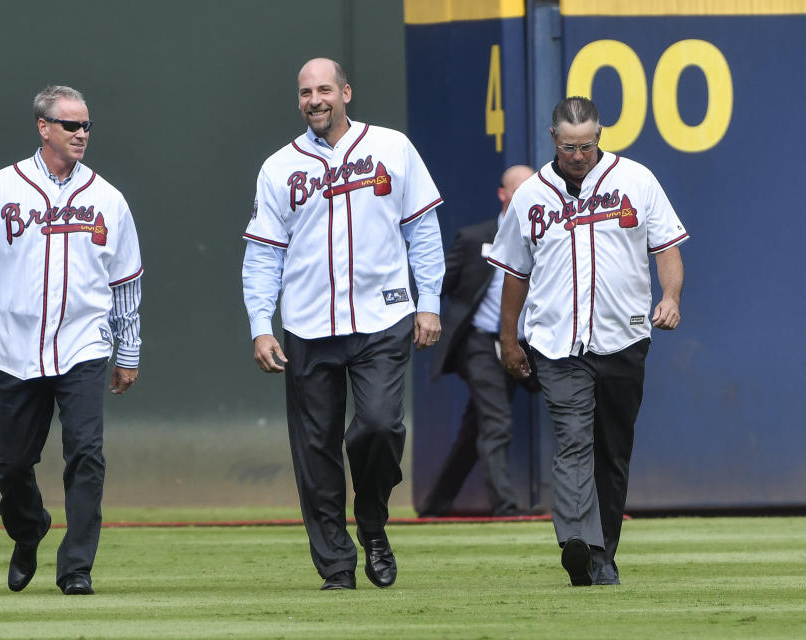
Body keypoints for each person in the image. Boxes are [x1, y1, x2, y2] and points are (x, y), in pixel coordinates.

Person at [242, 58, 445, 590]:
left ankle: (372, 519)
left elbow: (423, 229)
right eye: (306, 92)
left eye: (325, 89)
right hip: (309, 325)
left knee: (379, 425)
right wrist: (261, 323)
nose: (315, 100)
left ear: (346, 92)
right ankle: (336, 566)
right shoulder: (278, 167)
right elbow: (264, 253)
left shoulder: (392, 147)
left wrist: (431, 303)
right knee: (315, 450)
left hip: (384, 315)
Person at [0, 85, 143, 595]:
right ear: (44, 127)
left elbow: (126, 282)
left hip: (83, 344)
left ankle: (76, 568)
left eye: (87, 126)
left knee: (86, 454)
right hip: (13, 348)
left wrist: (128, 350)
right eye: (71, 125)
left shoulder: (107, 197)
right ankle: (29, 527)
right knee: (11, 466)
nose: (82, 135)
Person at [487, 96, 687, 586]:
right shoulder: (532, 194)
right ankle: (582, 544)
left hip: (624, 337)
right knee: (573, 440)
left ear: (600, 137)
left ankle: (604, 552)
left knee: (612, 450)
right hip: (557, 343)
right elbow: (515, 273)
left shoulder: (635, 180)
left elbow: (666, 247)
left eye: (587, 145)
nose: (578, 154)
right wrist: (508, 339)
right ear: (553, 138)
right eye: (569, 145)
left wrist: (672, 297)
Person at [419, 165, 537, 519]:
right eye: (518, 191)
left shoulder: (550, 235)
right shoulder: (475, 239)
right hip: (481, 343)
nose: (526, 200)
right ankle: (505, 508)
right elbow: (438, 284)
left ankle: (435, 506)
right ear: (503, 195)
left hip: (525, 345)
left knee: (477, 430)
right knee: (497, 422)